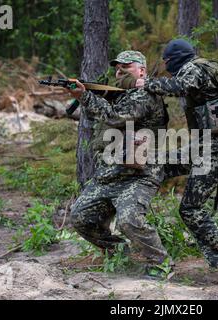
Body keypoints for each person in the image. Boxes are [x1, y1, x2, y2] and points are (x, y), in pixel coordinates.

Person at [135, 39, 218, 277]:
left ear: (176, 58)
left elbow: (180, 86)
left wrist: (146, 83)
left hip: (215, 149)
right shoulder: (208, 67)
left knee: (190, 208)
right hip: (214, 146)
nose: (167, 65)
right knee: (160, 163)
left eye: (167, 61)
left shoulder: (193, 68)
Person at [68, 51, 171, 277]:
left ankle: (160, 264)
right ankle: (120, 256)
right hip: (109, 176)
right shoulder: (121, 96)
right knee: (80, 217)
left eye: (127, 66)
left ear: (142, 70)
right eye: (117, 68)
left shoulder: (145, 94)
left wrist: (85, 96)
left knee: (128, 219)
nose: (120, 71)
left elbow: (115, 117)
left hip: (138, 176)